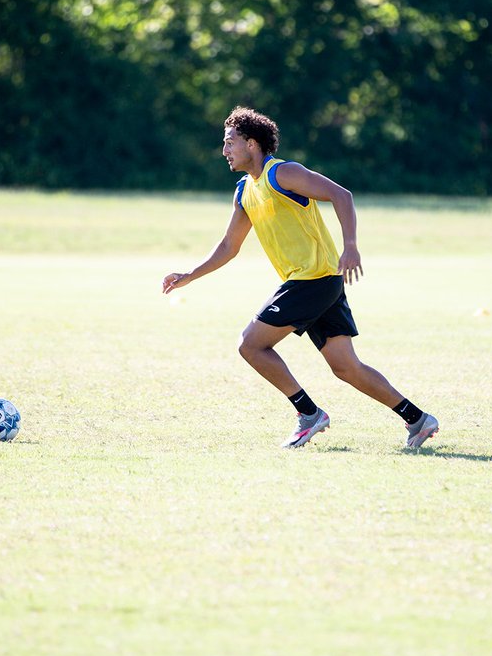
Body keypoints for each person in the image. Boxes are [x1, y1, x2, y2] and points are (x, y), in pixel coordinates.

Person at [161, 106, 440, 449]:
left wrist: (350, 246)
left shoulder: (283, 174)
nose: (224, 151)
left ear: (251, 144)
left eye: (230, 142)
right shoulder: (244, 191)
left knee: (251, 344)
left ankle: (308, 414)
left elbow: (342, 195)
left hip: (314, 279)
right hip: (317, 281)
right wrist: (190, 275)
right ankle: (418, 419)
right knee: (346, 367)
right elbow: (229, 246)